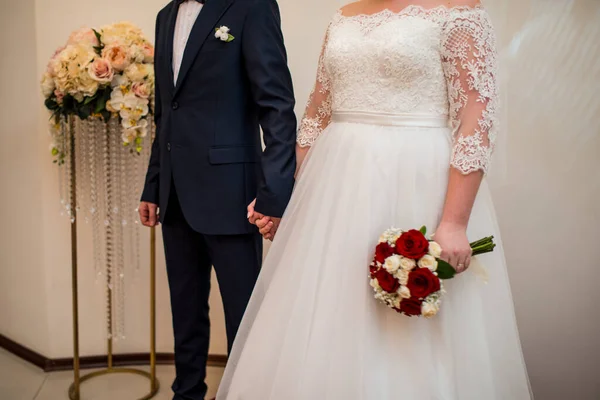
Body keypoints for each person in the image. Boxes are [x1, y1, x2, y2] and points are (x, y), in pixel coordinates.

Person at [218, 0, 532, 398]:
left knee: (403, 326)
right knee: (329, 308)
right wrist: (281, 193)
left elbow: (475, 119)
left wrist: (454, 223)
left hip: (415, 179)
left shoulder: (460, 12)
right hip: (333, 185)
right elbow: (317, 111)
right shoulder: (343, 15)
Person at [138, 0, 297, 398]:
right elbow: (165, 112)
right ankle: (187, 391)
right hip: (174, 195)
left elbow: (276, 107)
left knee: (244, 317)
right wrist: (153, 184)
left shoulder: (252, 8)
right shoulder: (165, 16)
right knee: (185, 312)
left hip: (233, 195)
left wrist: (275, 193)